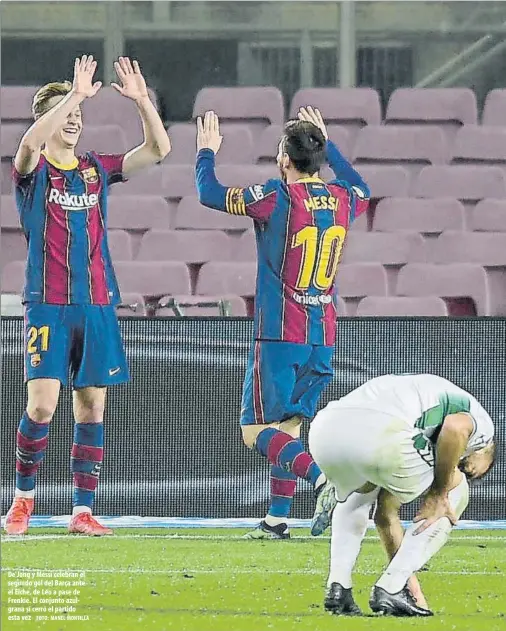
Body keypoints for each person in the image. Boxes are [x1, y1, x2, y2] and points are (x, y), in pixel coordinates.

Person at [4, 55, 171, 536]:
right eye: (67, 113)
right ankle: (23, 501)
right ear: (50, 118)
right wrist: (73, 94)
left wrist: (142, 101)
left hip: (97, 304)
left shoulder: (96, 168)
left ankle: (82, 510)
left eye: (79, 113)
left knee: (92, 406)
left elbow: (158, 149)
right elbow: (30, 141)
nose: (75, 119)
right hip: (48, 304)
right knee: (41, 406)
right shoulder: (32, 172)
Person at [195, 107, 370, 539]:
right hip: (323, 336)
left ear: (285, 160)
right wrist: (330, 148)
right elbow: (363, 186)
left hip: (280, 335)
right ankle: (277, 519)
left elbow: (209, 192)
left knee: (254, 430)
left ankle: (323, 481)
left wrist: (205, 152)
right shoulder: (344, 198)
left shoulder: (276, 197)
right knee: (289, 427)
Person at [308, 373, 496, 616]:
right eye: (469, 469)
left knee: (360, 494)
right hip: (382, 437)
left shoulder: (419, 394)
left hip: (325, 432)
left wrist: (412, 589)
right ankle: (391, 588)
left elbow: (385, 516)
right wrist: (439, 493)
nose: (460, 468)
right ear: (489, 451)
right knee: (456, 492)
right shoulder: (484, 430)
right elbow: (455, 428)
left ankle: (339, 587)